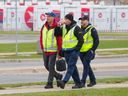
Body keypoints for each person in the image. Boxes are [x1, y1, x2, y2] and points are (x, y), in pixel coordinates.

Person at [58, 13, 84, 89]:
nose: (65, 21)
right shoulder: (64, 27)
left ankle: (64, 81)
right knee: (73, 68)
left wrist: (76, 49)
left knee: (70, 67)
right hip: (66, 51)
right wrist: (58, 26)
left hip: (73, 51)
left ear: (70, 20)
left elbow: (81, 40)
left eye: (66, 19)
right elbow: (57, 34)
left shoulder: (76, 28)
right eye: (64, 19)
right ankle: (78, 83)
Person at [40, 12, 63, 89]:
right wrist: (42, 46)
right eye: (47, 16)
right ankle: (58, 76)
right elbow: (41, 36)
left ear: (53, 18)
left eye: (49, 16)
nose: (47, 18)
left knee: (51, 66)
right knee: (46, 66)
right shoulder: (44, 26)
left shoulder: (57, 27)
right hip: (45, 50)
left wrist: (59, 52)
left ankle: (49, 83)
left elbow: (59, 40)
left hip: (53, 51)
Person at [79, 15, 99, 87]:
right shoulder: (80, 29)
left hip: (89, 51)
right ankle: (93, 80)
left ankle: (82, 82)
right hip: (81, 51)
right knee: (87, 66)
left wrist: (92, 50)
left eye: (83, 20)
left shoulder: (92, 29)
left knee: (86, 66)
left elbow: (96, 41)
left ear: (87, 21)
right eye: (81, 20)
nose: (82, 22)